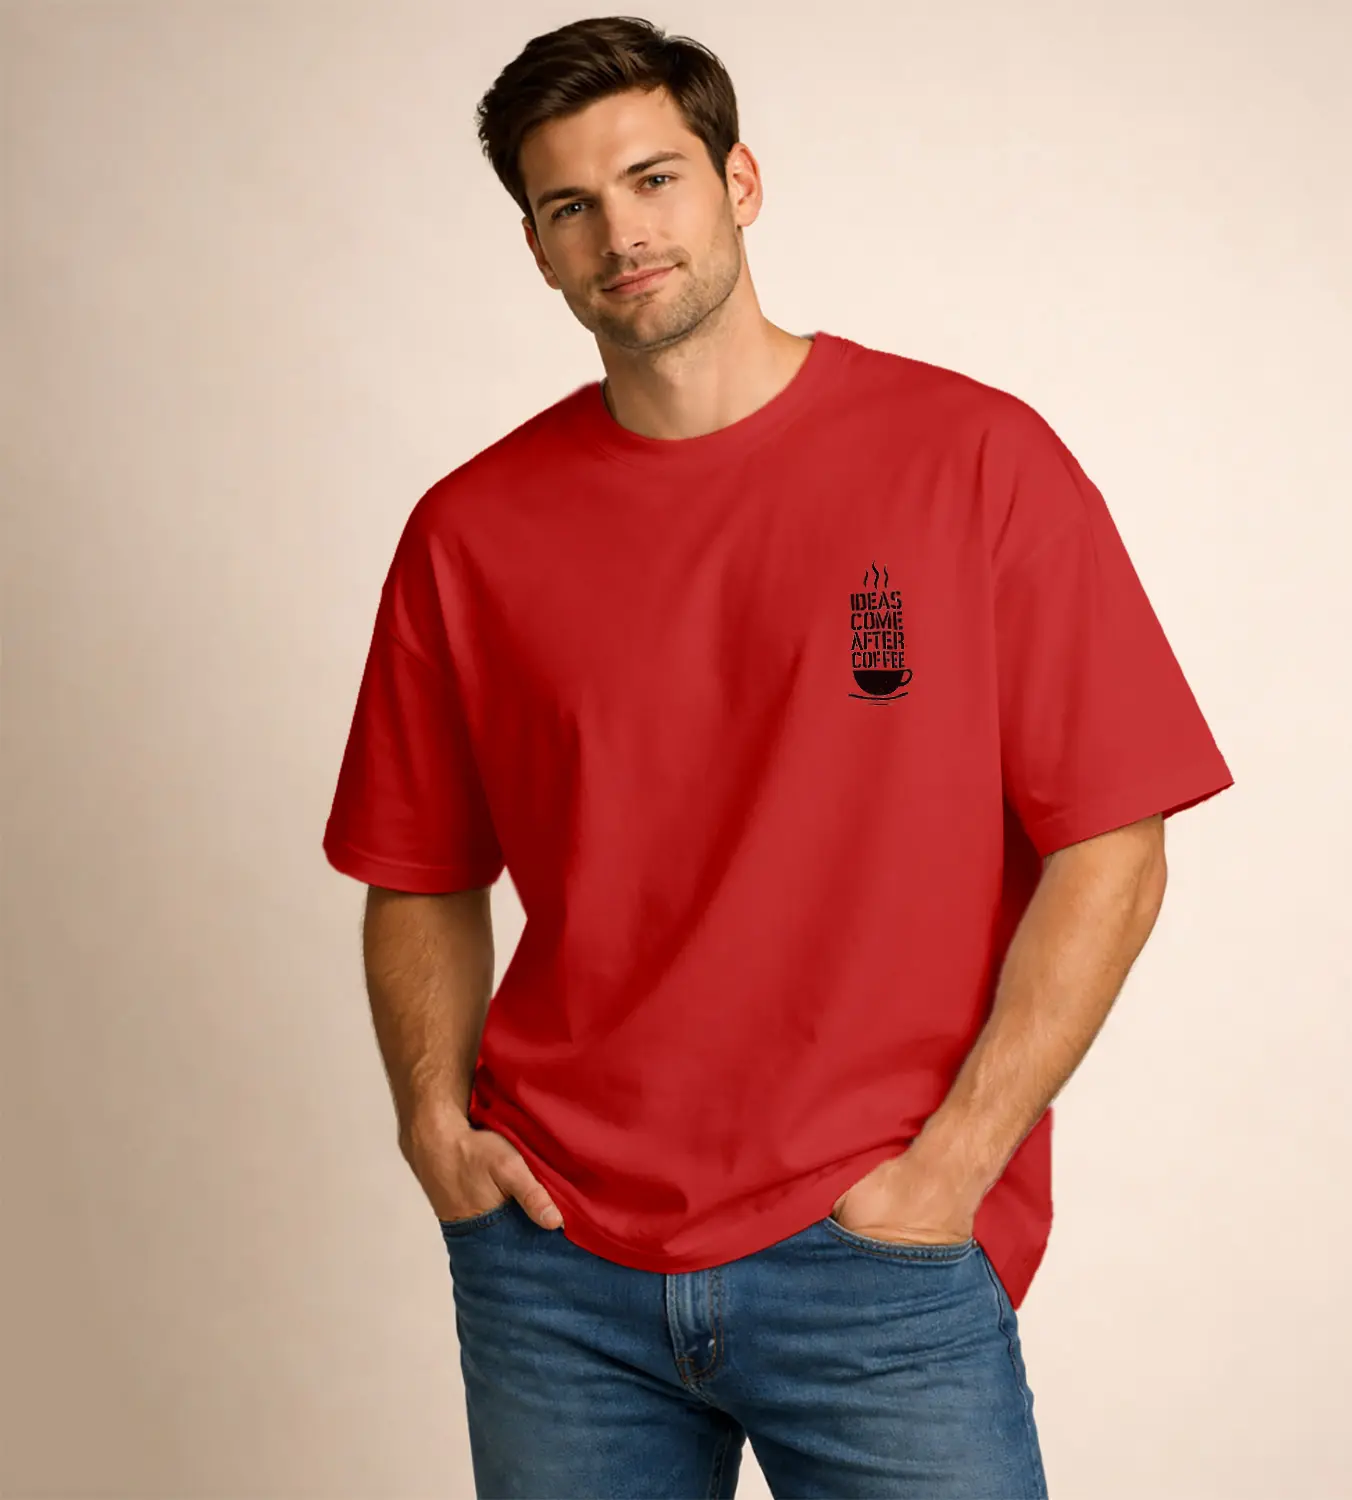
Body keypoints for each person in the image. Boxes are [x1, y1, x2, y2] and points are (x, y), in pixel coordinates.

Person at [321, 15, 1234, 1498]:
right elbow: (416, 867)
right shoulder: (469, 533)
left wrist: (957, 1163)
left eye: (655, 178)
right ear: (537, 251)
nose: (623, 233)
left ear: (739, 181)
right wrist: (433, 1121)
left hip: (877, 1253)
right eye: (571, 205)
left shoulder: (972, 459)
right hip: (557, 1265)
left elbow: (1114, 845)